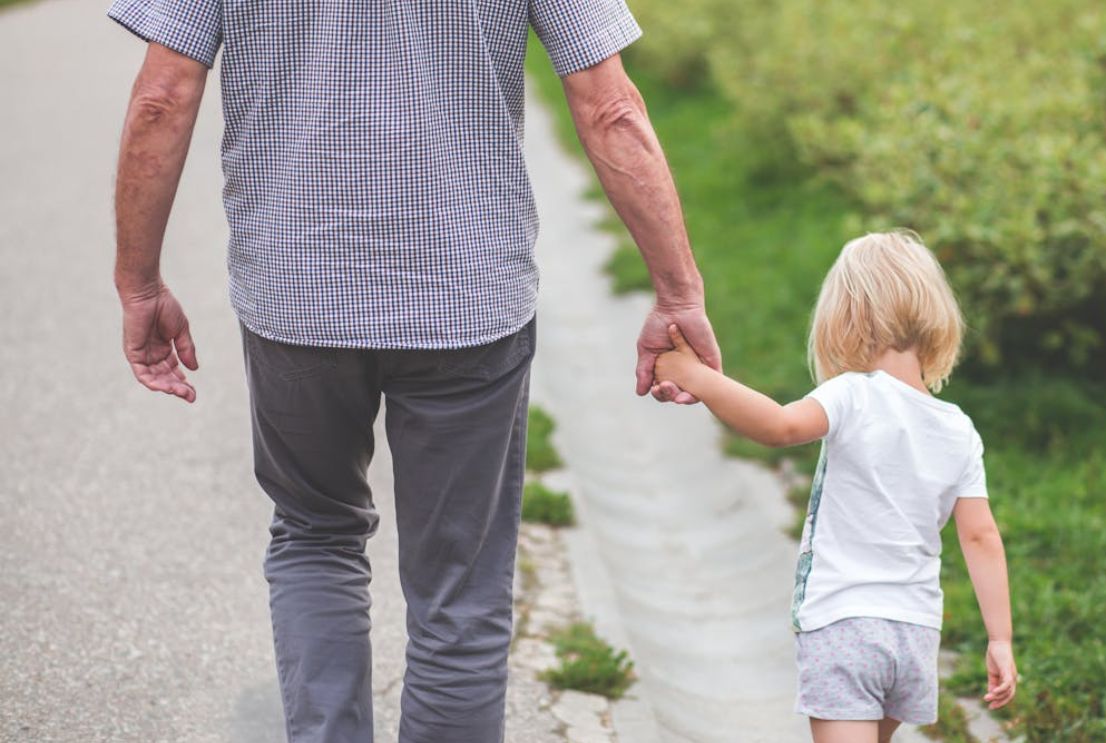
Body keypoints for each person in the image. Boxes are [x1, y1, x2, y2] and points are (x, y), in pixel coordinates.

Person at [106, 0, 719, 740]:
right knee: (459, 591)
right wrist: (677, 290)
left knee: (313, 535)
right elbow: (610, 105)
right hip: (466, 299)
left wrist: (139, 283)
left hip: (298, 296)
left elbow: (161, 97)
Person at [653, 231, 1017, 743]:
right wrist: (999, 638)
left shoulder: (853, 394)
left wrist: (697, 376)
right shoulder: (958, 427)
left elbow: (777, 426)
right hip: (915, 635)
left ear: (848, 318)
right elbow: (981, 538)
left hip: (845, 625)